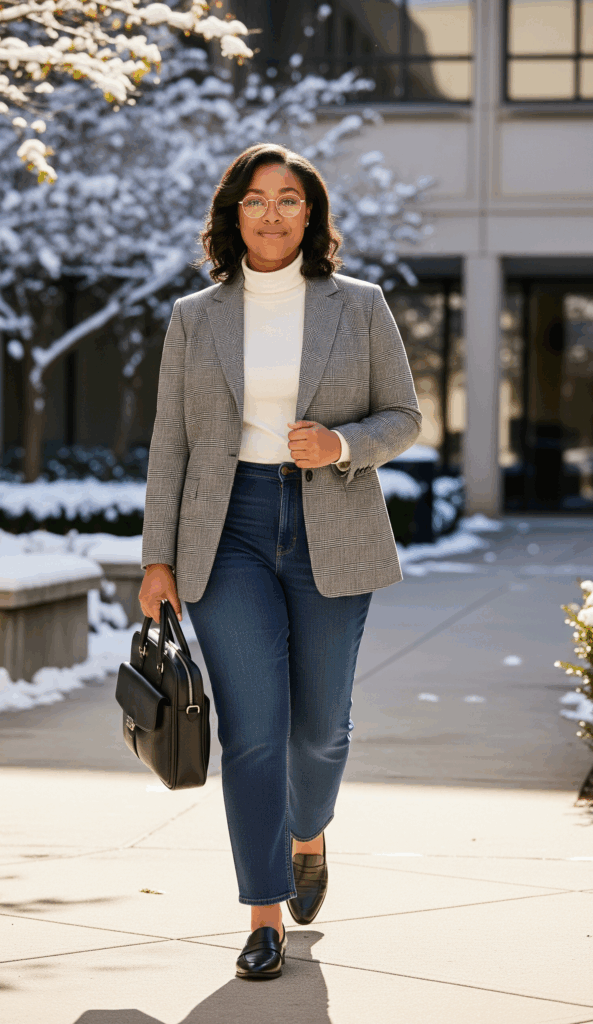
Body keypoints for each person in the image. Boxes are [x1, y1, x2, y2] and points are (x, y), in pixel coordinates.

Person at [139, 142, 421, 980]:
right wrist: (156, 558)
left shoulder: (359, 306)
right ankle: (263, 915)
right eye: (256, 199)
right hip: (225, 531)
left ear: (311, 213)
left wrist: (340, 443)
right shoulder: (195, 316)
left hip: (331, 518)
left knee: (321, 730)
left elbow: (403, 415)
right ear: (234, 214)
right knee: (253, 730)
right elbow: (170, 443)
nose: (272, 213)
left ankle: (308, 833)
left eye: (288, 199)